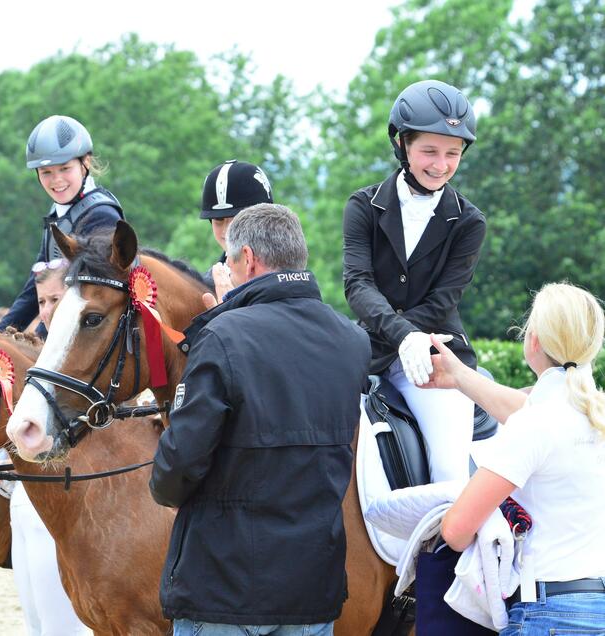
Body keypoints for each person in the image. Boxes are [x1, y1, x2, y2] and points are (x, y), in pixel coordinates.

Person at [150, 204, 371, 636]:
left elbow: (178, 465)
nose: (227, 270)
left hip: (224, 590)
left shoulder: (221, 337)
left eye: (229, 261)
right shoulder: (353, 340)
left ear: (247, 258)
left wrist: (163, 484)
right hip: (313, 591)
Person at [428, 282, 605, 633]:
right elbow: (528, 410)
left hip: (544, 614)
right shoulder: (591, 414)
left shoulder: (536, 424)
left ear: (533, 340)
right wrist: (462, 377)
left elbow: (456, 529)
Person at [342, 79, 486, 484]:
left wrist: (416, 340)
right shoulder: (363, 206)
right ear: (402, 144)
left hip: (437, 358)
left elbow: (444, 300)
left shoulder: (469, 221)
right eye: (429, 151)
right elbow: (358, 284)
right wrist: (402, 336)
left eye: (452, 154)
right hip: (366, 350)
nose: (440, 165)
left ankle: (450, 544)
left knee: (448, 468)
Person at [0, 260, 89, 636]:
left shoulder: (81, 360)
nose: (47, 310)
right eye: (42, 301)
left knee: (61, 620)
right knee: (35, 618)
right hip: (23, 495)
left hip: (63, 494)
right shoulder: (35, 354)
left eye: (56, 299)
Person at [0, 115, 123, 335]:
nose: (56, 180)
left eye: (65, 168)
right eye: (46, 173)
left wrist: (40, 341)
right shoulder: (58, 213)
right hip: (63, 333)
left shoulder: (101, 215)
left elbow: (90, 298)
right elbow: (34, 288)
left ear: (86, 163)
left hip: (91, 339)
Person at [199, 159, 274, 302]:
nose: (228, 231)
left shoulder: (287, 280)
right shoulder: (204, 287)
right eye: (218, 221)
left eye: (237, 219)